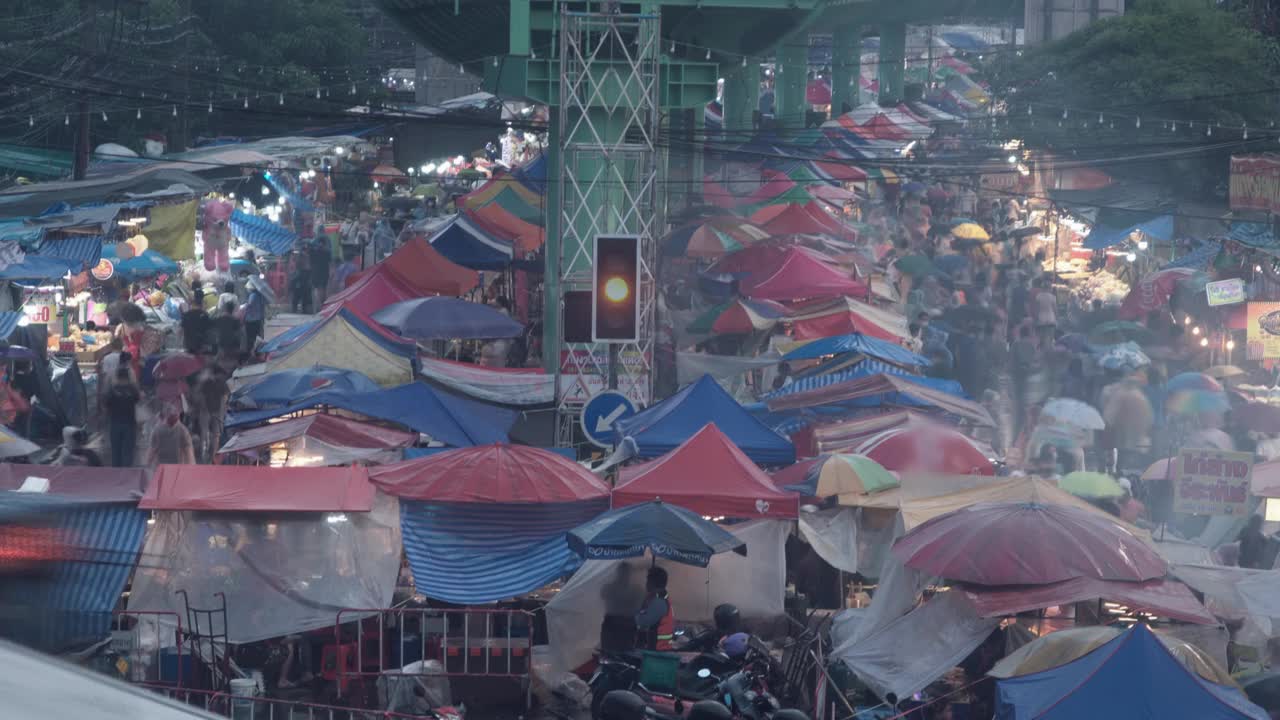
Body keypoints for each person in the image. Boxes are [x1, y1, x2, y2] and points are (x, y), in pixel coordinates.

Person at [104, 367, 140, 467]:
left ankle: (116, 475)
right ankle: (126, 475)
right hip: (129, 423)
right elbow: (137, 399)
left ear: (117, 376)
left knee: (116, 451)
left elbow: (106, 404)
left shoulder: (112, 390)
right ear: (128, 377)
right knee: (128, 451)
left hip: (115, 423)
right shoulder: (132, 389)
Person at [634, 566, 675, 651]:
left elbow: (642, 621)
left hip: (658, 652)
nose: (646, 583)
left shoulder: (659, 603)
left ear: (653, 582)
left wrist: (631, 613)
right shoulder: (658, 598)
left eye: (648, 580)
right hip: (658, 649)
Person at [241, 281, 267, 353]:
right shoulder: (260, 295)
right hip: (258, 319)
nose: (247, 290)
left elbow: (250, 304)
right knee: (257, 336)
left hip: (251, 319)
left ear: (251, 288)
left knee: (250, 337)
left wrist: (244, 306)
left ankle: (250, 352)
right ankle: (258, 351)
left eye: (248, 288)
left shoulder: (253, 295)